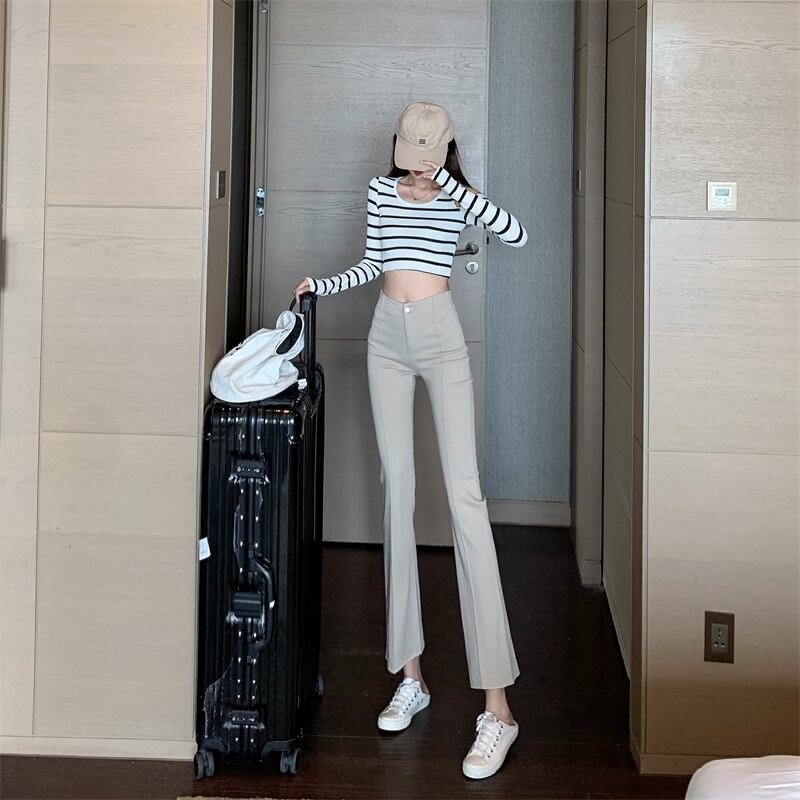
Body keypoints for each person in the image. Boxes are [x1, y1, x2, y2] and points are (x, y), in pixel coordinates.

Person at [292, 101, 528, 780]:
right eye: (409, 149)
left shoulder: (457, 196)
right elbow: (374, 262)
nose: (415, 162)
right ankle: (412, 676)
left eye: (427, 151)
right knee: (397, 493)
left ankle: (498, 709)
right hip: (385, 341)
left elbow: (515, 234)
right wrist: (322, 284)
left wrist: (448, 183)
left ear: (444, 148)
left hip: (440, 334)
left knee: (465, 500)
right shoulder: (379, 190)